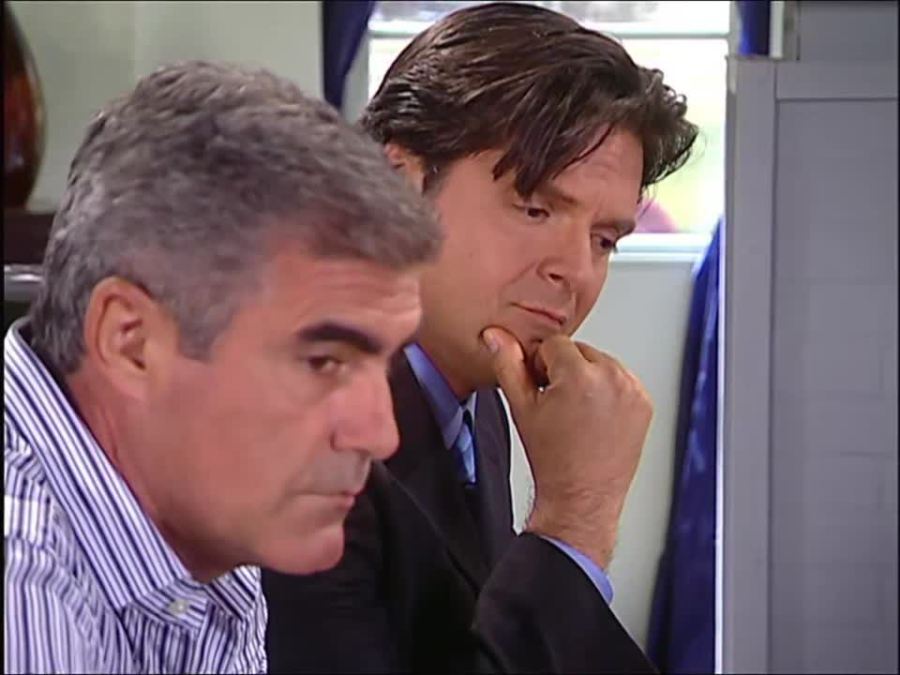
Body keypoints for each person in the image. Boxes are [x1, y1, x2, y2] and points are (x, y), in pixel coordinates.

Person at [263, 2, 698, 673]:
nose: (576, 271)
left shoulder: (481, 383)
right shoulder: (303, 437)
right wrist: (574, 520)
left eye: (604, 240)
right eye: (535, 208)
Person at [3, 60, 441, 674]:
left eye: (385, 362)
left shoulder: (207, 521)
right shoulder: (22, 590)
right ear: (131, 343)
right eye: (322, 362)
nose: (380, 434)